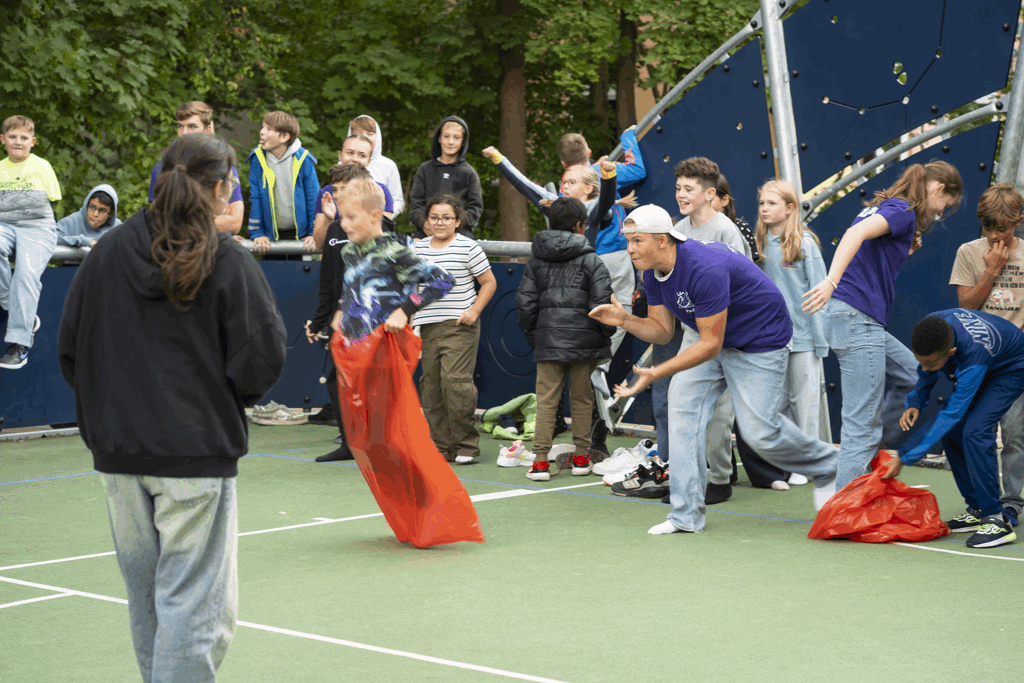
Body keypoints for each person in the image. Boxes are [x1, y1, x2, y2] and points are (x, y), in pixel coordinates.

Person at [57, 133, 288, 682]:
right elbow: (262, 357)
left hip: (120, 453)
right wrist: (221, 401)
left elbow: (70, 349)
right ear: (220, 189)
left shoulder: (108, 251)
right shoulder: (224, 258)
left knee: (152, 604)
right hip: (193, 453)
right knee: (195, 610)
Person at [590, 205, 839, 535]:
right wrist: (625, 319)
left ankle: (831, 466)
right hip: (713, 336)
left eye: (637, 241)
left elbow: (710, 344)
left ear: (662, 240)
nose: (630, 249)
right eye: (628, 241)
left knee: (760, 432)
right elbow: (661, 330)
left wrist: (657, 371)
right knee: (682, 409)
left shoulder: (704, 267)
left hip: (760, 338)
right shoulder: (652, 272)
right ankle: (685, 516)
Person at [803, 160, 962, 490]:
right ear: (937, 188)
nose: (939, 213)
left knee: (914, 374)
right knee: (861, 427)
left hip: (856, 318)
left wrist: (903, 251)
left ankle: (867, 450)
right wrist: (831, 281)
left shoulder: (888, 208)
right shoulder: (902, 210)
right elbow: (855, 234)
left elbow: (870, 255)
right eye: (943, 206)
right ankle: (844, 506)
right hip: (857, 318)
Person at [883, 310, 1024, 548]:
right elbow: (926, 368)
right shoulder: (934, 327)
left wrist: (904, 456)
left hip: (1010, 369)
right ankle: (978, 508)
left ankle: (996, 519)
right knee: (953, 432)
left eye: (931, 363)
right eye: (921, 361)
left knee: (975, 431)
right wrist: (917, 401)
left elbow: (951, 414)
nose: (925, 368)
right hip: (986, 361)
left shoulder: (973, 355)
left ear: (951, 352)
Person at [666, 157, 752, 504]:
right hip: (693, 333)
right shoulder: (677, 230)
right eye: (678, 188)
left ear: (709, 194)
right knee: (681, 404)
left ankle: (719, 479)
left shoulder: (725, 232)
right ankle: (687, 482)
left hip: (726, 336)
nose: (681, 195)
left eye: (689, 189)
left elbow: (744, 284)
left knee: (719, 414)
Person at [517, 196, 615, 481]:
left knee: (546, 401)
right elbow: (603, 305)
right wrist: (603, 336)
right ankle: (582, 458)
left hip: (548, 342)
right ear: (581, 226)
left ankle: (539, 463)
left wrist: (536, 337)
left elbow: (525, 304)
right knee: (582, 399)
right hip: (584, 344)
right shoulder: (592, 260)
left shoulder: (536, 260)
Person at [949, 183, 1024, 527]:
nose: (995, 235)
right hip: (978, 360)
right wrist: (992, 269)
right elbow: (966, 306)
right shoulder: (968, 252)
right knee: (966, 431)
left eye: (1002, 228)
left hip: (1017, 362)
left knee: (1014, 434)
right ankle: (980, 504)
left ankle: (1011, 506)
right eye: (988, 227)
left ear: (1018, 222)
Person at [413, 193, 496, 464]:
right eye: (435, 217)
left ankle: (466, 446)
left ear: (458, 221)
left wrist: (474, 311)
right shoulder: (419, 250)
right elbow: (415, 289)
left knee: (455, 383)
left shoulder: (468, 247)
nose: (440, 222)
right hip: (428, 327)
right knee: (431, 386)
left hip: (460, 326)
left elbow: (489, 282)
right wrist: (411, 321)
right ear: (427, 221)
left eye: (447, 218)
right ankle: (442, 446)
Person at [328, 175, 453, 345]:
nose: (343, 224)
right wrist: (341, 309)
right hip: (355, 347)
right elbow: (351, 287)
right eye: (341, 217)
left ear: (375, 216)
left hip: (389, 346)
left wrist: (405, 310)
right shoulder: (349, 251)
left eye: (351, 217)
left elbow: (444, 280)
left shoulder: (393, 252)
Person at [754, 179, 830, 453]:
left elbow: (820, 294)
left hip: (803, 340)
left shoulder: (804, 244)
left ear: (789, 208)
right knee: (776, 408)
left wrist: (820, 342)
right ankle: (786, 464)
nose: (764, 208)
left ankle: (807, 464)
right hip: (770, 342)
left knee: (805, 409)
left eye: (771, 203)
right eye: (762, 203)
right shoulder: (757, 246)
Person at [0, 115, 61, 369]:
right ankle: (14, 306)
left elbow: (55, 204)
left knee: (26, 274)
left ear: (32, 142)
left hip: (37, 227)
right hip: (4, 226)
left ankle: (20, 344)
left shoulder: (42, 167)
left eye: (24, 138)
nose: (18, 142)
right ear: (2, 140)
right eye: (12, 136)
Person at [147, 101, 244, 234]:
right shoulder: (162, 167)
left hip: (213, 245)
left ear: (208, 130)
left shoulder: (224, 167)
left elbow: (235, 223)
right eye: (180, 126)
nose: (184, 132)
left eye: (192, 126)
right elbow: (159, 221)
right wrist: (215, 218)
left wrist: (181, 221)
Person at [246, 110, 319, 256]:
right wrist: (258, 233)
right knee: (272, 269)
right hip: (269, 236)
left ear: (284, 137)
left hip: (301, 234)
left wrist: (313, 233)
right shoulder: (257, 159)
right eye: (263, 127)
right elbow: (256, 196)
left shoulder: (303, 160)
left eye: (268, 129)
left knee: (300, 269)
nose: (262, 132)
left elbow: (313, 197)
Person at [312, 136, 394, 250]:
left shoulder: (380, 191)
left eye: (362, 155)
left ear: (369, 161)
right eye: (350, 153)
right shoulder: (327, 193)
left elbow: (384, 237)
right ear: (340, 155)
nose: (355, 159)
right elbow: (319, 244)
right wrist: (328, 219)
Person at [408, 116, 483, 236]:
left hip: (459, 232)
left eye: (456, 137)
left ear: (463, 142)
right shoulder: (425, 169)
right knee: (414, 244)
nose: (450, 142)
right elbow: (416, 205)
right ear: (439, 138)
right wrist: (425, 223)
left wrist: (452, 224)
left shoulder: (469, 173)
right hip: (428, 231)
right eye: (446, 136)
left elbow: (475, 209)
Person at [347, 114, 405, 216]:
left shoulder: (388, 166)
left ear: (377, 136)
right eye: (358, 134)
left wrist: (384, 217)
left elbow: (397, 201)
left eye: (370, 134)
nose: (365, 138)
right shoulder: (344, 164)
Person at [56, 185, 121, 247]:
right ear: (86, 206)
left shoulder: (117, 227)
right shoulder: (72, 221)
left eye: (102, 210)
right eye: (92, 207)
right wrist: (83, 241)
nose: (95, 214)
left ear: (111, 214)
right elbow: (52, 236)